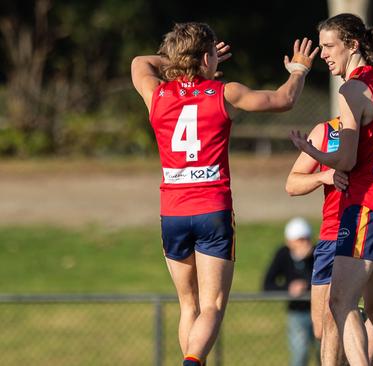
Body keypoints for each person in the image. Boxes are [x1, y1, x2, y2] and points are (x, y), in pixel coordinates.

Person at [131, 22, 318, 366]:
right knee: (212, 305)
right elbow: (284, 99)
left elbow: (139, 63)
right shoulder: (224, 92)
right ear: (207, 57)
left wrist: (176, 61)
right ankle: (192, 362)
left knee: (188, 304)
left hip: (172, 212)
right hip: (212, 211)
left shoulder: (157, 94)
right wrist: (299, 70)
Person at [290, 13, 373, 366]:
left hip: (367, 203)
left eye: (330, 47)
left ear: (353, 44)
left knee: (339, 302)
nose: (325, 55)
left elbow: (347, 161)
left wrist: (313, 153)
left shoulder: (353, 89)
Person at [285, 116, 347, 366]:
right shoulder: (326, 132)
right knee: (321, 328)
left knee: (341, 316)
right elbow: (292, 183)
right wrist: (324, 177)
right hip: (330, 235)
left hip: (366, 233)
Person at [263, 217, 317, 366]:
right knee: (300, 354)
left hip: (320, 311)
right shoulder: (283, 254)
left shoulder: (317, 253)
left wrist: (303, 261)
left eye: (306, 239)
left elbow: (323, 280)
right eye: (299, 240)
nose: (303, 243)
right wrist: (289, 289)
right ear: (289, 241)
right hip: (297, 313)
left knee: (325, 353)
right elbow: (267, 285)